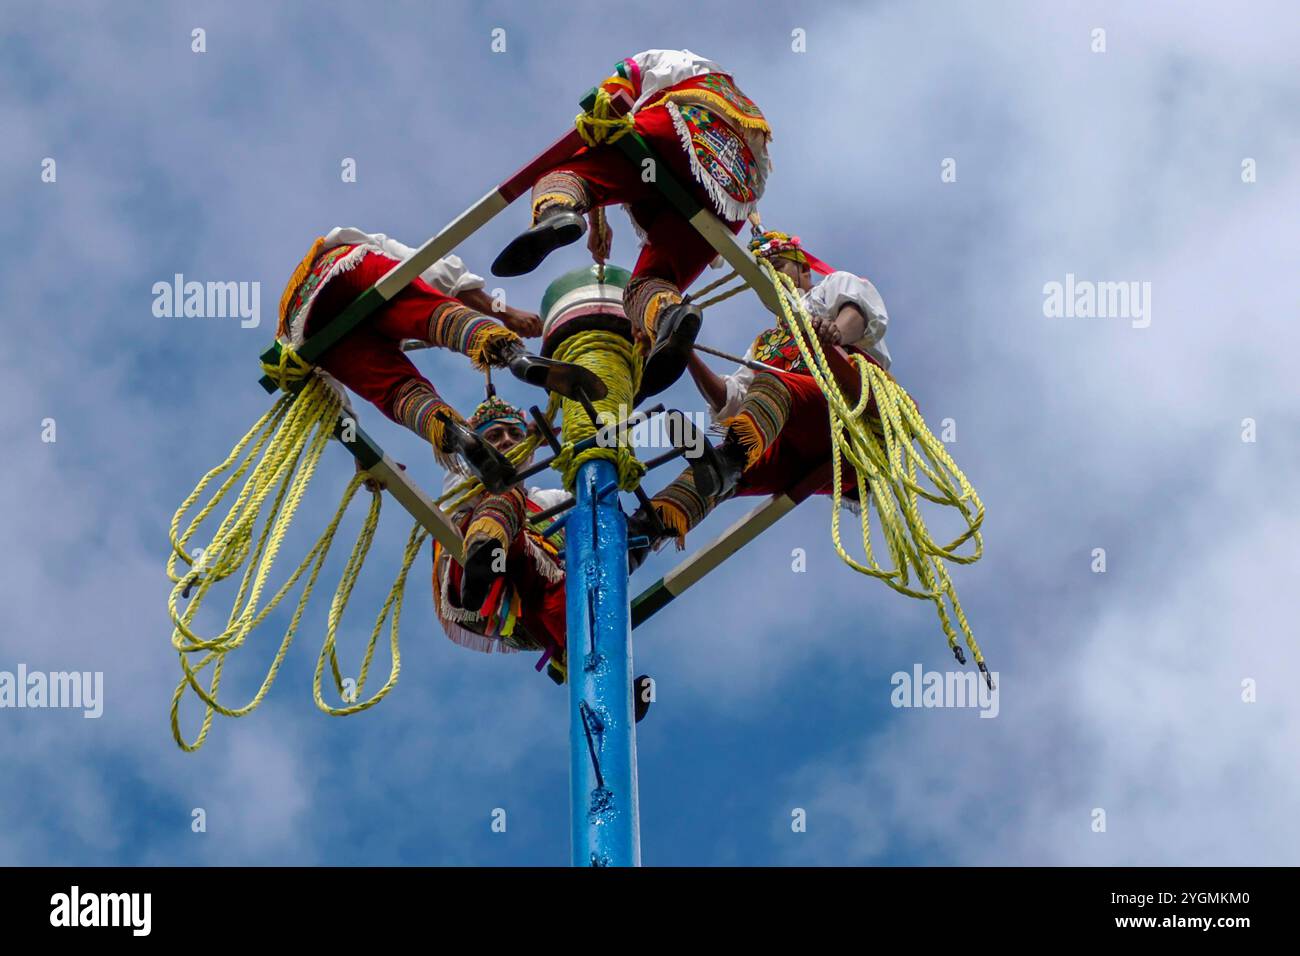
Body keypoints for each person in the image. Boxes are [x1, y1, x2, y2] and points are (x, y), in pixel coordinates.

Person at [492, 50, 772, 400]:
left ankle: (557, 210)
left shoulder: (674, 62)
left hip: (681, 131)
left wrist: (606, 107)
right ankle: (667, 317)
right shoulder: (743, 111)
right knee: (651, 282)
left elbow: (619, 87)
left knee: (568, 173)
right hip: (732, 195)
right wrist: (597, 222)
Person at [630, 230, 892, 556]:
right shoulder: (764, 344)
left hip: (848, 420)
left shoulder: (830, 287)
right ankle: (638, 538)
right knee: (714, 477)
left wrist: (836, 331)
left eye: (778, 265)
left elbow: (861, 311)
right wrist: (684, 351)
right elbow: (731, 399)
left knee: (771, 386)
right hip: (796, 438)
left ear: (804, 270)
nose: (773, 275)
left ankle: (729, 463)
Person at [277, 226, 602, 484]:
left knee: (396, 389)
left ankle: (454, 434)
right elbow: (438, 271)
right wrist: (507, 314)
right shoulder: (369, 243)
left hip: (309, 329)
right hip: (347, 266)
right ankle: (514, 356)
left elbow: (327, 396)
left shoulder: (331, 343)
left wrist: (358, 449)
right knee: (431, 312)